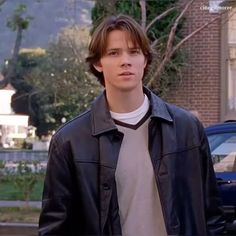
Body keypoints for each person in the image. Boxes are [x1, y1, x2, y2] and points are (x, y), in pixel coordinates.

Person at [38, 14, 225, 236]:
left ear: (145, 60)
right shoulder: (70, 140)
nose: (125, 61)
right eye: (114, 53)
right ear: (98, 63)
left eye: (134, 52)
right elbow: (55, 228)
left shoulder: (187, 129)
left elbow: (212, 216)